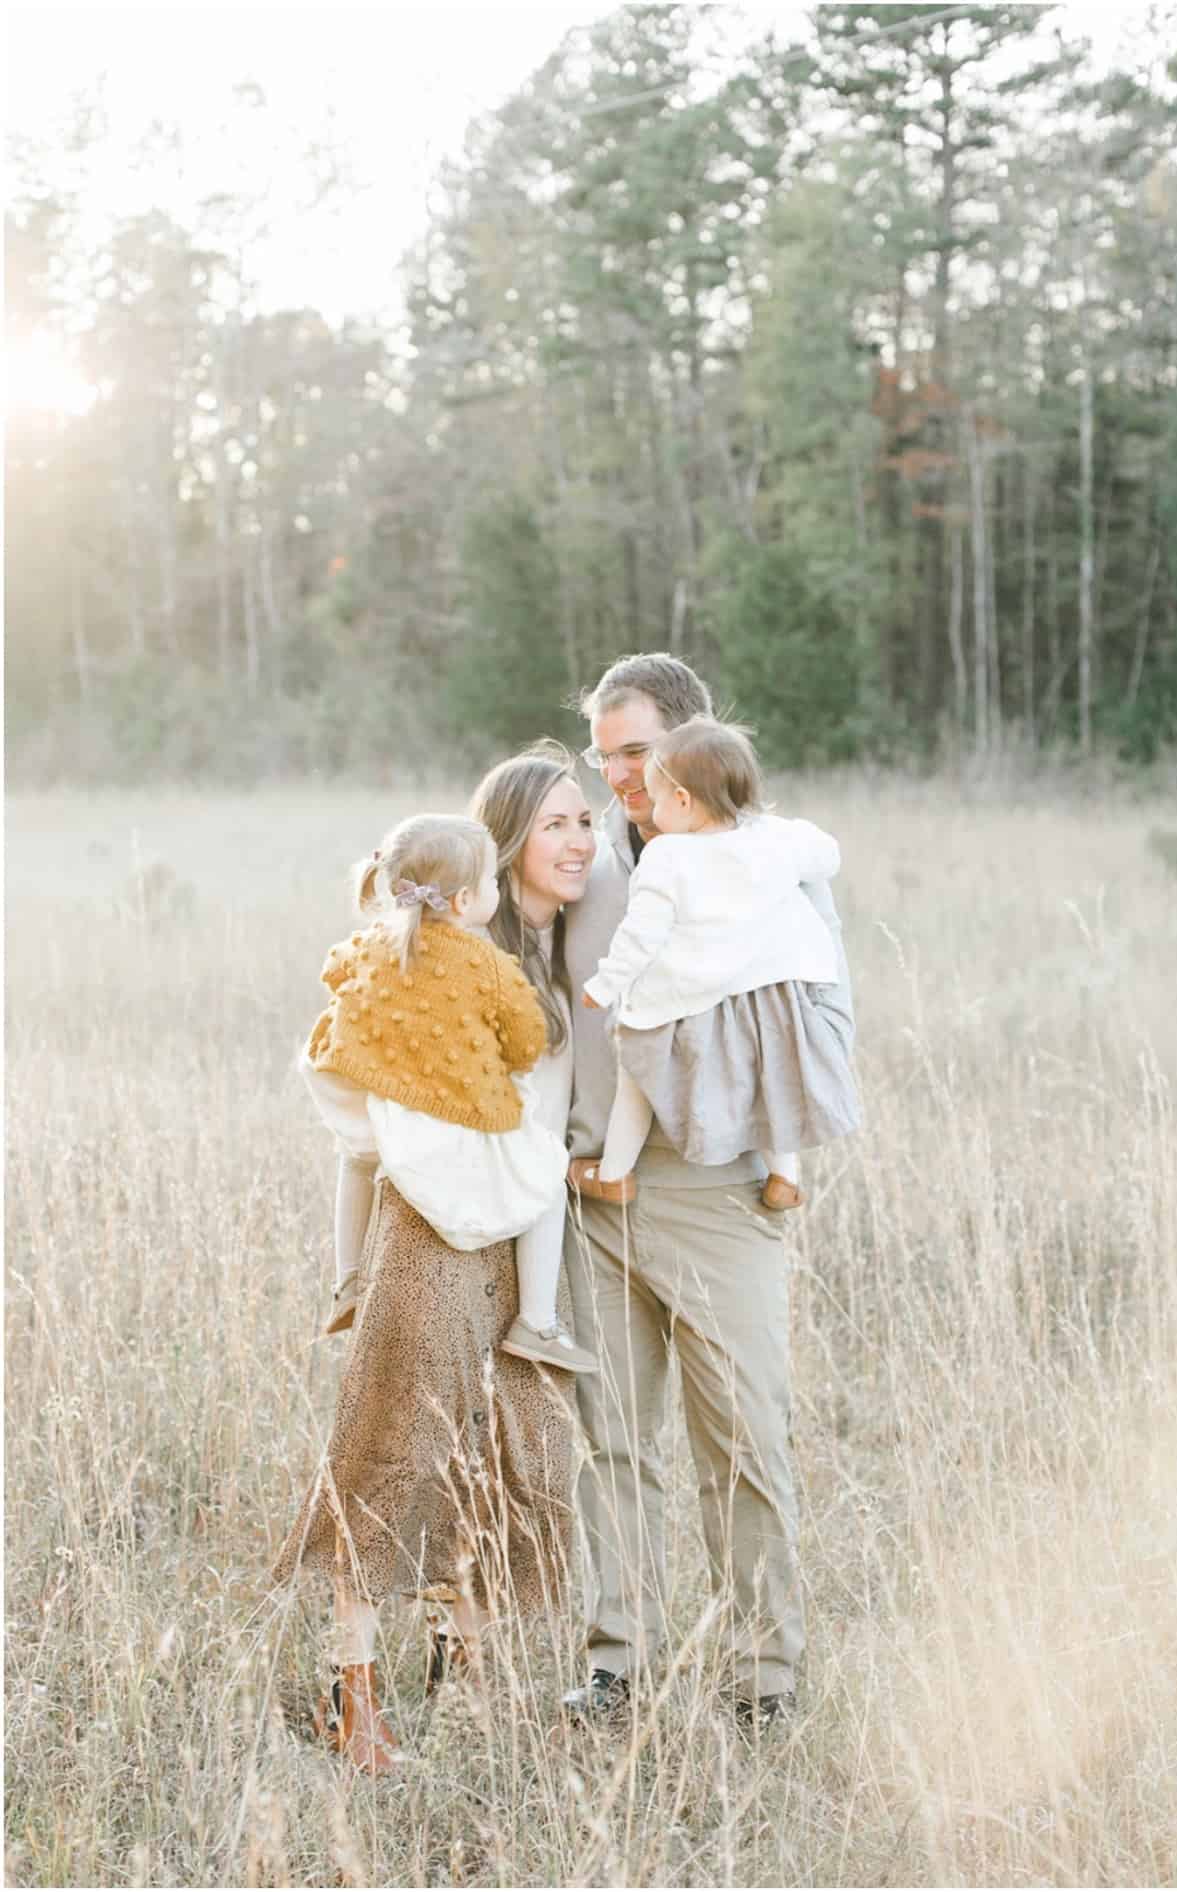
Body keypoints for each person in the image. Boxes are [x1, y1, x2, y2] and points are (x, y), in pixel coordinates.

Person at [273, 749, 596, 1774]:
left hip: (497, 1244)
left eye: (584, 823)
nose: (578, 841)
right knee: (391, 1454)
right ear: (485, 873)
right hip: (435, 1240)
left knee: (504, 1462)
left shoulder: (472, 955)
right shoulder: (469, 961)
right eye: (554, 825)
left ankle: (463, 1682)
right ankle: (351, 1695)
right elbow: (366, 1134)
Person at [560, 655, 859, 1734]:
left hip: (719, 1192)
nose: (621, 778)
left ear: (693, 740)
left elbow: (820, 1022)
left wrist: (778, 1153)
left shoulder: (767, 860)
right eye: (606, 758)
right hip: (590, 1194)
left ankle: (764, 1679)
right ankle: (613, 1667)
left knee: (741, 1437)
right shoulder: (582, 861)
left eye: (637, 752)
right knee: (610, 1443)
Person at [301, 809, 595, 1374]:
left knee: (355, 1161)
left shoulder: (371, 945)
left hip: (380, 1110)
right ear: (463, 901)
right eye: (490, 882)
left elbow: (333, 972)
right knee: (545, 1177)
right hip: (453, 1116)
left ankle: (348, 1282)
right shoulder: (483, 961)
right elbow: (526, 1037)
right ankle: (537, 1322)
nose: (494, 890)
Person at [574, 716, 856, 1214]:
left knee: (635, 1078)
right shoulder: (775, 837)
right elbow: (827, 855)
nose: (654, 811)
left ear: (682, 800)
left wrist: (605, 984)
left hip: (686, 1002)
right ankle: (784, 1178)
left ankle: (615, 1173)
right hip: (768, 1000)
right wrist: (786, 832)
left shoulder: (668, 857)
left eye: (658, 799)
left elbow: (640, 934)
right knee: (773, 1084)